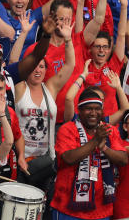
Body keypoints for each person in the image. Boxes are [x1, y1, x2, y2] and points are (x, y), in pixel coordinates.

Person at [52, 88, 129, 219]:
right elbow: (69, 158)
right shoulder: (67, 129)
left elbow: (123, 160)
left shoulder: (110, 130)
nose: (93, 113)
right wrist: (95, 141)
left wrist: (104, 147)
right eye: (88, 108)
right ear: (79, 111)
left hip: (101, 210)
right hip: (68, 209)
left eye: (97, 108)